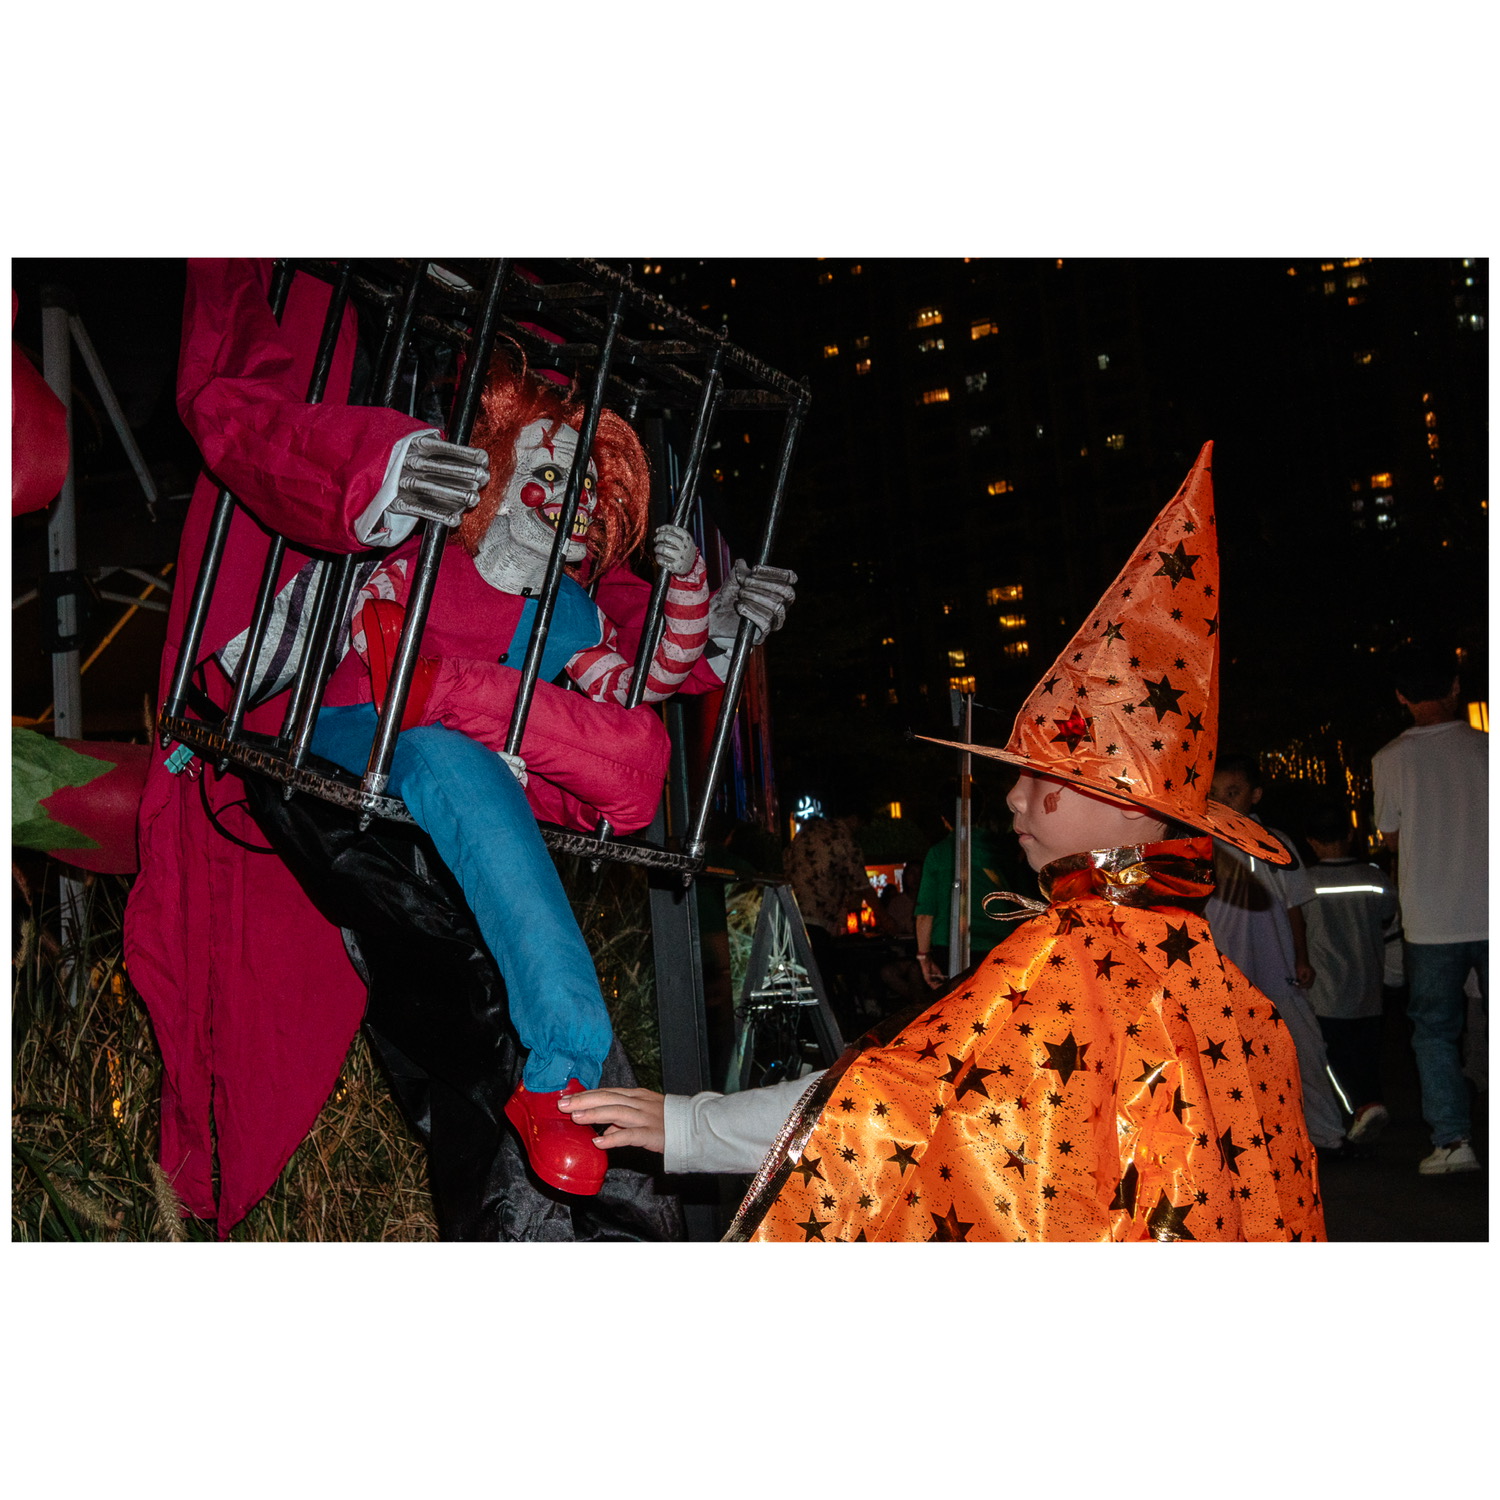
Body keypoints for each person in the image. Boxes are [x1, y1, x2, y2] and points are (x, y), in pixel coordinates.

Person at [124, 259, 795, 1230]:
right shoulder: (419, 537)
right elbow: (257, 451)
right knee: (440, 834)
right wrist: (379, 483)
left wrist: (710, 618)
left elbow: (628, 662)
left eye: (582, 490)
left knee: (603, 765)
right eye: (549, 475)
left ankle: (560, 1090)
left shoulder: (563, 595)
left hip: (478, 759)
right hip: (348, 739)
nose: (565, 500)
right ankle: (555, 1088)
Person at [564, 442, 1328, 1240]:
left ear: (1137, 806)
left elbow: (905, 1101)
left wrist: (690, 1126)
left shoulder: (1074, 955)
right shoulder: (1213, 981)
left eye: (1049, 778)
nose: (1015, 796)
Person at [1372, 645, 1488, 1175]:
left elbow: (1391, 838)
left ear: (1400, 696)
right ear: (1456, 686)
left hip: (1431, 917)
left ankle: (1453, 1141)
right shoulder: (1487, 749)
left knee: (1436, 1031)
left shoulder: (1390, 759)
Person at [1204, 753, 1349, 1157]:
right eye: (1215, 793)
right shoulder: (1199, 842)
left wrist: (1301, 958)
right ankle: (1237, 1146)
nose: (1223, 801)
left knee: (1305, 1048)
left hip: (1277, 966)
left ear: (1255, 795)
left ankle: (1327, 1135)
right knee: (1226, 1056)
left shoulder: (1276, 843)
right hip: (1224, 968)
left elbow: (1293, 905)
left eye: (1233, 792)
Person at [1301, 802, 1399, 1144]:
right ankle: (1371, 1105)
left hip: (1326, 990)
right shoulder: (1374, 879)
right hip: (1369, 987)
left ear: (1311, 841)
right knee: (1367, 1055)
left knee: (1334, 1058)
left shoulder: (1306, 883)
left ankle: (1362, 1109)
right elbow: (1389, 920)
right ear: (1350, 834)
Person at [913, 794, 1020, 988]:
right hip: (1000, 943)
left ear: (943, 818)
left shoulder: (938, 853)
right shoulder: (1000, 849)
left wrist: (923, 956)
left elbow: (925, 914)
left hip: (950, 945)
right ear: (979, 812)